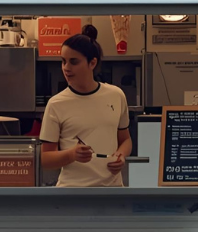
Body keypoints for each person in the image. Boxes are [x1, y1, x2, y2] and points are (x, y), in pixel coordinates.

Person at [40, 26, 132, 187]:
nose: (66, 68)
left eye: (74, 62)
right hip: (73, 193)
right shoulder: (56, 104)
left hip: (112, 191)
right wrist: (71, 154)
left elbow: (125, 140)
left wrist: (121, 155)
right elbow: (45, 159)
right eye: (63, 61)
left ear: (92, 63)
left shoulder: (116, 95)